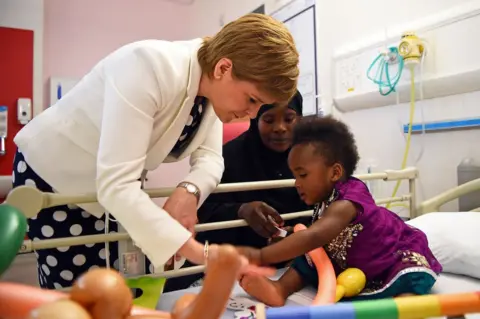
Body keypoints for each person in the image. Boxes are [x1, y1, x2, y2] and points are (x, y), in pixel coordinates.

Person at [11, 13, 299, 289]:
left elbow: (211, 160)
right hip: (55, 173)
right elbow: (117, 185)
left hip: (116, 184)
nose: (250, 114)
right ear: (224, 68)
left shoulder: (210, 87)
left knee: (125, 281)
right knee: (79, 292)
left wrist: (189, 191)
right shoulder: (146, 67)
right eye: (251, 99)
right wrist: (203, 254)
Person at [238, 116, 442, 306]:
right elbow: (318, 234)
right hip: (349, 261)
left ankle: (405, 306)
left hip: (388, 256)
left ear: (335, 172)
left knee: (408, 278)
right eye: (295, 176)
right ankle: (280, 288)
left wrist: (261, 255)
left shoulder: (347, 202)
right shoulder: (325, 197)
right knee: (308, 259)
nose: (297, 183)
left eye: (302, 175)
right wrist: (288, 236)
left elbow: (313, 236)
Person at [163, 91, 310, 292]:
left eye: (289, 119)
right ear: (256, 119)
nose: (280, 128)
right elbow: (204, 213)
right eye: (268, 119)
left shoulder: (310, 159)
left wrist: (297, 234)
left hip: (291, 264)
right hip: (228, 258)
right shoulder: (226, 158)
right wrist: (241, 210)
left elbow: (320, 209)